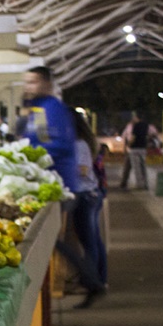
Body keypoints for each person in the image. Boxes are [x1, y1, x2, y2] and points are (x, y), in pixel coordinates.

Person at [56, 108, 107, 309]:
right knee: (93, 240)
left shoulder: (78, 145)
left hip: (86, 196)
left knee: (89, 242)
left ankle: (92, 283)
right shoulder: (81, 143)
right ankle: (99, 279)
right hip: (90, 194)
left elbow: (83, 170)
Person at [21, 66, 77, 195]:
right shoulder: (37, 108)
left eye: (33, 82)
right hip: (47, 182)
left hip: (61, 184)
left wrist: (27, 155)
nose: (28, 87)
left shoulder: (54, 109)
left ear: (47, 84)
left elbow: (60, 145)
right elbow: (40, 137)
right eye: (26, 82)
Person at [121, 111, 150, 191]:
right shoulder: (145, 125)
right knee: (143, 166)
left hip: (134, 149)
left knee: (136, 167)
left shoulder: (136, 126)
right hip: (143, 148)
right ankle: (145, 183)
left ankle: (139, 184)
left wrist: (128, 145)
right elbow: (147, 135)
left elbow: (133, 137)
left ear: (136, 117)